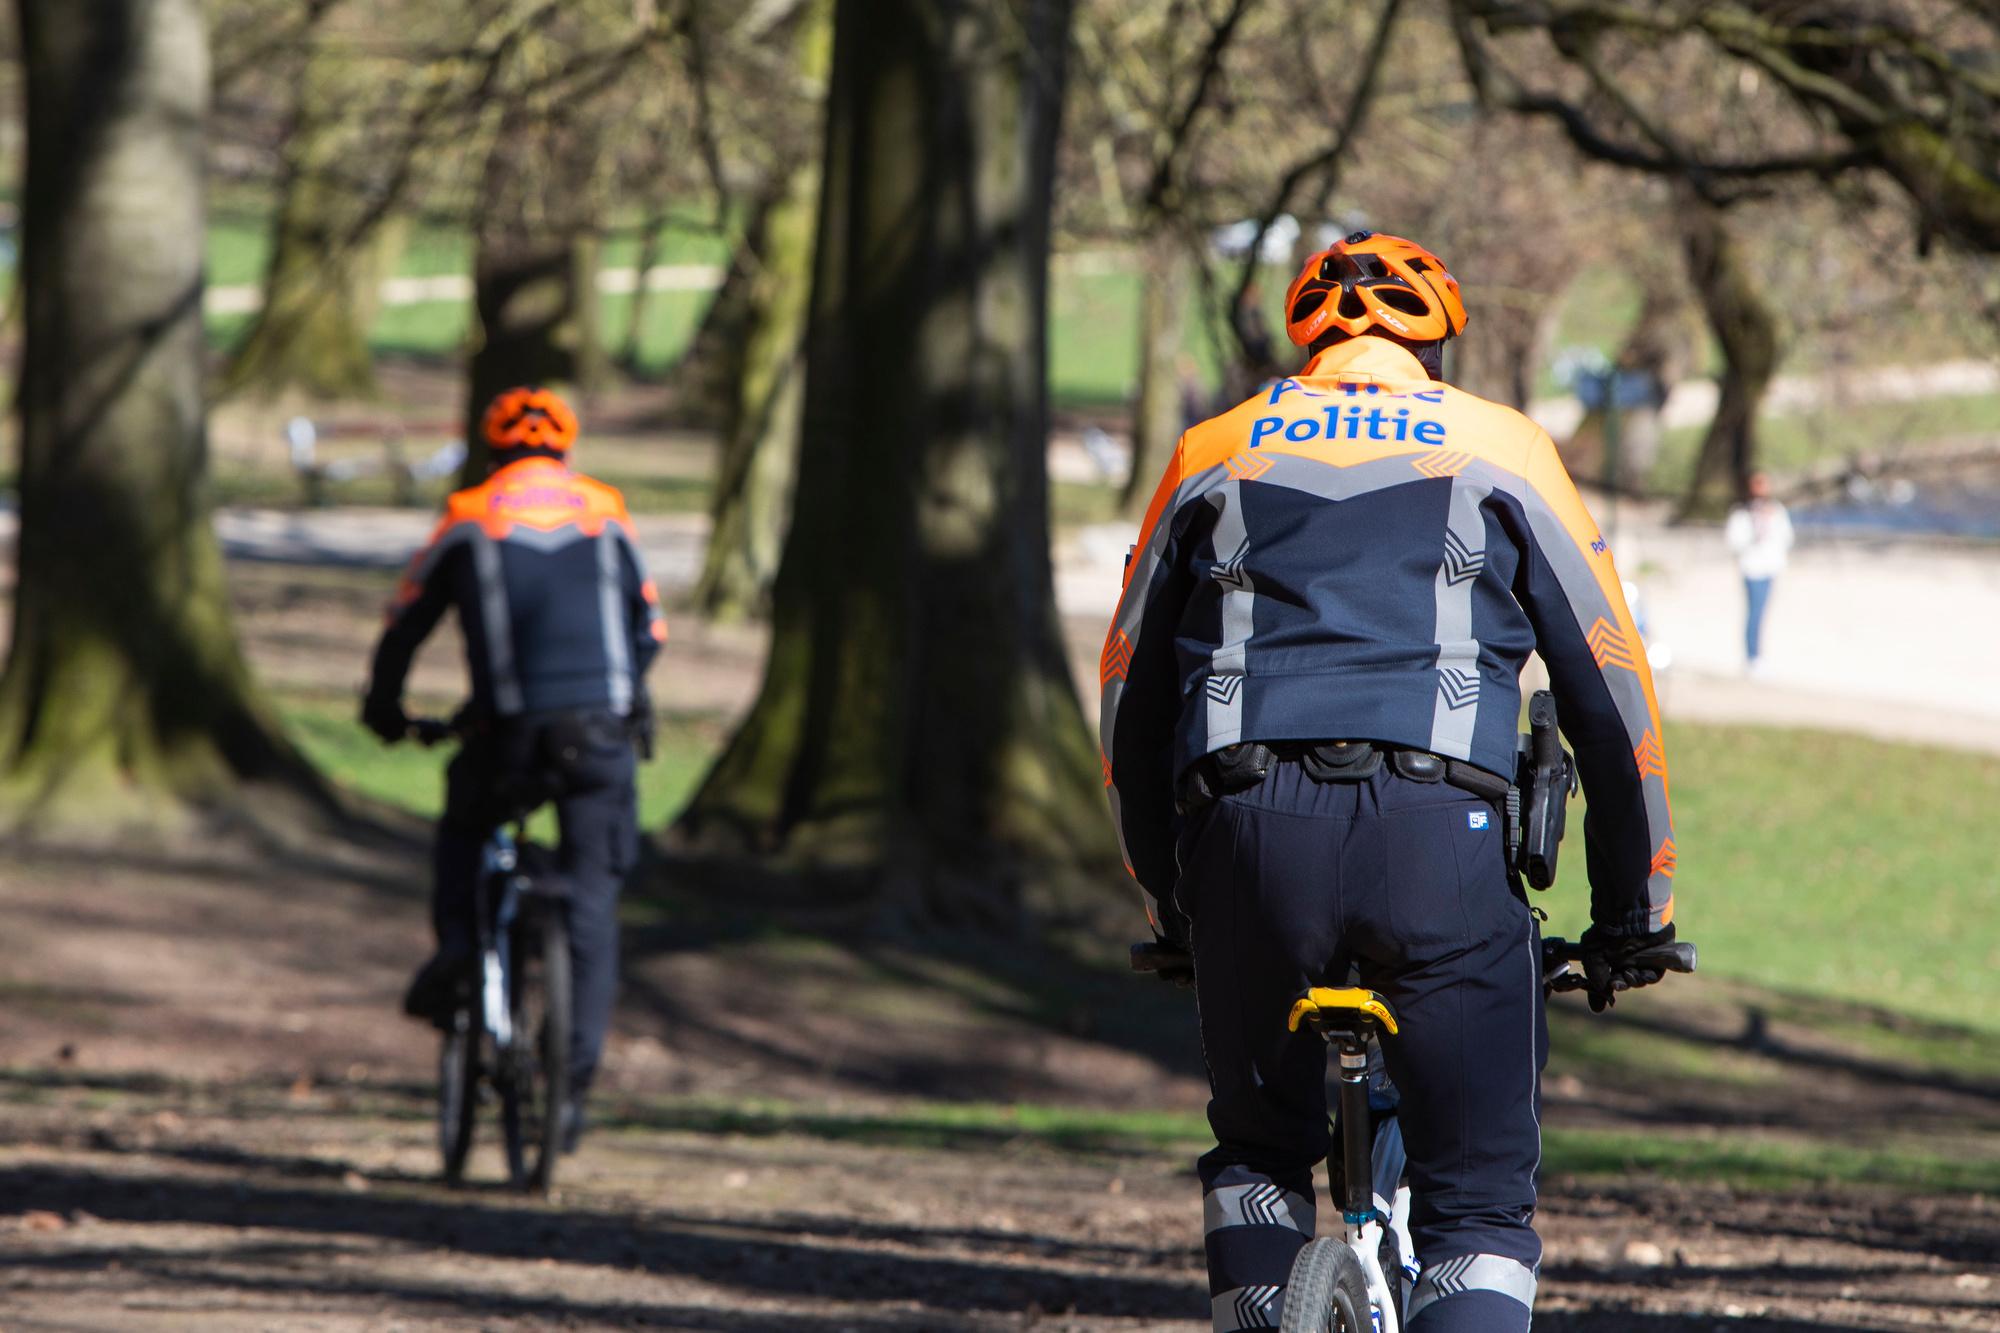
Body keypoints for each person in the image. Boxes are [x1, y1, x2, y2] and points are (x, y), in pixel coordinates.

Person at [1100, 231, 1679, 1333]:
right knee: (1475, 1201)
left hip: (1241, 822)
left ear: (1304, 333)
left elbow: (1127, 691)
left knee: (1258, 1151)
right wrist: (1631, 912)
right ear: (1435, 339)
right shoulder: (1499, 445)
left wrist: (1172, 902)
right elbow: (1610, 690)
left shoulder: (1211, 447)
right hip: (1437, 827)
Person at [361, 386, 666, 1149]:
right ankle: (571, 1089)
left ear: (492, 448)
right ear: (566, 448)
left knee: (467, 823)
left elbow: (405, 625)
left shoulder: (469, 515)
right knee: (593, 901)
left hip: (508, 732)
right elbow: (651, 626)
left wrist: (386, 708)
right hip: (600, 734)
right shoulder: (606, 509)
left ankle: (462, 948)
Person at [1726, 471, 1793, 674]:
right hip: (1751, 568)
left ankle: (1757, 655)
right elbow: (1734, 541)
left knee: (1762, 613)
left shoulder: (1776, 511)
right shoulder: (1741, 513)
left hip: (1769, 567)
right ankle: (1752, 656)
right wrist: (1755, 532)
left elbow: (1787, 537)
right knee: (1754, 612)